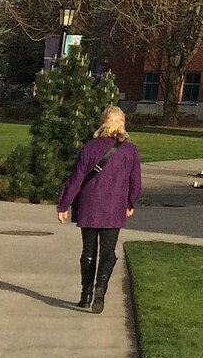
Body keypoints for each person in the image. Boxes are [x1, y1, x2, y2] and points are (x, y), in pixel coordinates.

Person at [56, 105, 142, 313]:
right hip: (114, 206)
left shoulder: (89, 148)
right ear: (122, 123)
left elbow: (76, 179)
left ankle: (85, 294)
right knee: (108, 252)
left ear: (102, 121)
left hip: (89, 205)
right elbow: (135, 182)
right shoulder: (130, 151)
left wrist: (64, 204)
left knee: (88, 251)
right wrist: (130, 202)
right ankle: (100, 289)